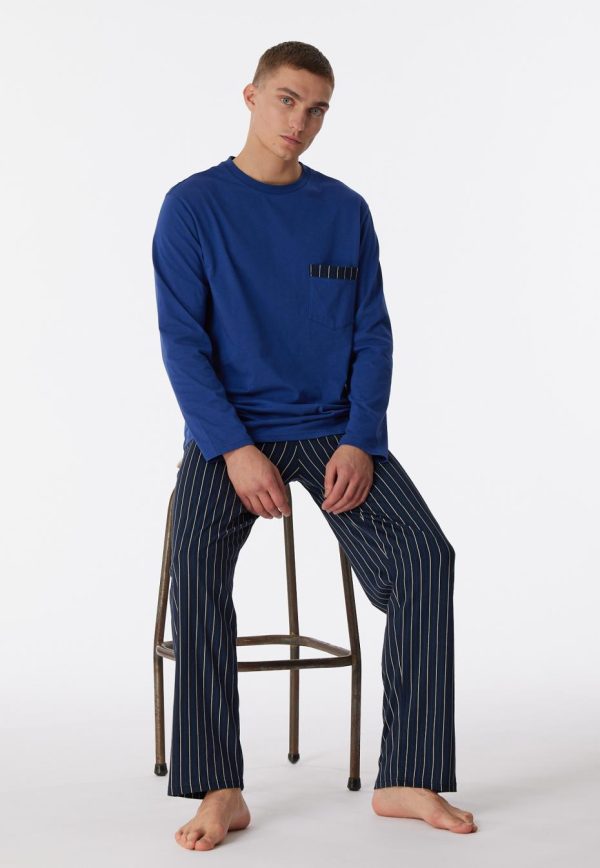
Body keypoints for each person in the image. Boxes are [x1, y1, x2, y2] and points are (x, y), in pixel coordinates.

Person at [152, 40, 477, 852]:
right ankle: (220, 788)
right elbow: (182, 344)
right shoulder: (192, 206)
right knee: (197, 563)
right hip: (231, 435)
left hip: (335, 430)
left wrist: (363, 439)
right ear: (252, 96)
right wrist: (233, 449)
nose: (301, 120)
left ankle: (406, 776)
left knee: (426, 558)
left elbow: (373, 334)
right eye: (288, 100)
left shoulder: (344, 210)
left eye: (318, 108)